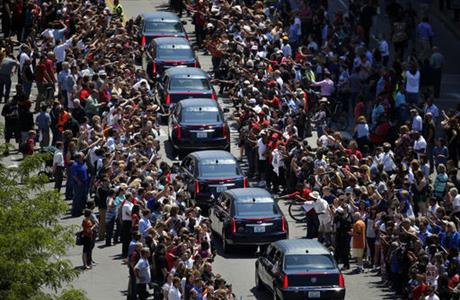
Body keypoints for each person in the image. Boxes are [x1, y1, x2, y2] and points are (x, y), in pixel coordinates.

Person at [70, 152, 89, 217]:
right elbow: (74, 175)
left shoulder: (82, 163)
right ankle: (75, 212)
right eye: (82, 156)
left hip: (84, 182)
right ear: (79, 158)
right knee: (77, 197)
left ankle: (81, 210)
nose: (83, 157)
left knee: (83, 197)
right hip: (79, 183)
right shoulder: (75, 165)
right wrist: (78, 181)